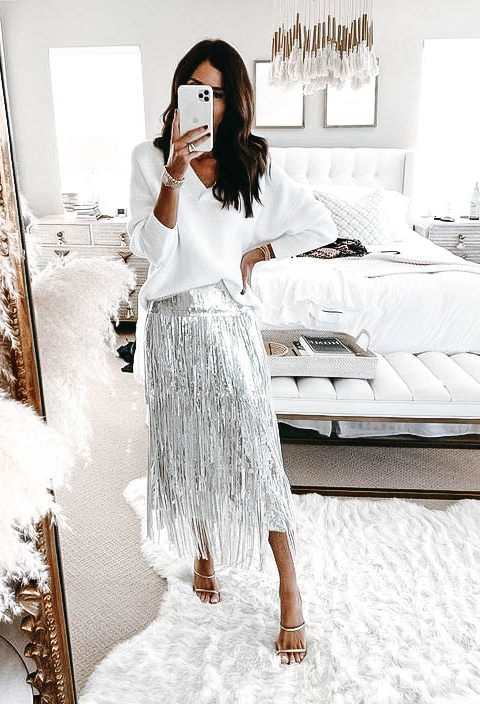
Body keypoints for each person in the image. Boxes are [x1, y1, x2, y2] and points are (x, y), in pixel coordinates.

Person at [127, 38, 337, 665]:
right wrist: (173, 173)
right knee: (191, 447)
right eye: (196, 89)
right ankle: (203, 552)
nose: (206, 103)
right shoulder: (148, 159)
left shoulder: (253, 163)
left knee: (257, 453)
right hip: (173, 325)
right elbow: (152, 251)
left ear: (235, 100)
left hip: (229, 322)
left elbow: (320, 224)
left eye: (217, 93)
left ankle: (289, 584)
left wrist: (259, 252)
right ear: (178, 93)